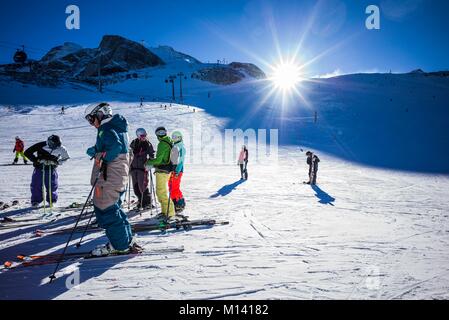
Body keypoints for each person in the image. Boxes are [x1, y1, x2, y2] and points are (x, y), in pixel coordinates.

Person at [84, 102, 140, 256]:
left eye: (90, 118)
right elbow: (119, 148)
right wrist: (97, 150)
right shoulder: (117, 127)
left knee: (106, 208)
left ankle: (120, 245)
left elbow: (114, 148)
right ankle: (126, 240)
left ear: (99, 114)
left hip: (110, 176)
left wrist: (98, 154)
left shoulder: (105, 128)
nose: (91, 123)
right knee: (114, 207)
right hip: (117, 175)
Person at [24, 135, 70, 207]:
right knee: (36, 184)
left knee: (52, 185)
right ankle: (36, 201)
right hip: (39, 168)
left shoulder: (61, 148)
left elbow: (66, 158)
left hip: (51, 169)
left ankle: (52, 200)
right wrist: (37, 160)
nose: (54, 147)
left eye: (56, 145)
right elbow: (27, 152)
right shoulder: (41, 145)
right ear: (49, 142)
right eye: (53, 145)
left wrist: (56, 162)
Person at [145, 127, 175, 219]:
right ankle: (165, 211)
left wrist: (149, 162)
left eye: (162, 132)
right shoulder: (169, 141)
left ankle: (169, 213)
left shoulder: (162, 143)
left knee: (161, 192)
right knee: (161, 192)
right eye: (159, 132)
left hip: (162, 170)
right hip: (167, 170)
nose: (161, 134)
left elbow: (158, 160)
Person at [129, 128, 155, 210]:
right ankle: (141, 202)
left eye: (145, 135)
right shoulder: (134, 142)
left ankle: (147, 203)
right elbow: (129, 153)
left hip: (142, 169)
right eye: (142, 136)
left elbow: (152, 155)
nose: (144, 137)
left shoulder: (147, 144)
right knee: (136, 187)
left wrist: (150, 164)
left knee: (142, 186)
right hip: (133, 168)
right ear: (138, 135)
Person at [169, 131, 186, 213]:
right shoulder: (174, 146)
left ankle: (180, 203)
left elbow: (181, 160)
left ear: (180, 137)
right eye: (173, 137)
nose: (174, 139)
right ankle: (174, 203)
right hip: (173, 170)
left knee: (174, 187)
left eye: (176, 137)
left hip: (177, 171)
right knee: (170, 186)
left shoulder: (181, 146)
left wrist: (177, 171)